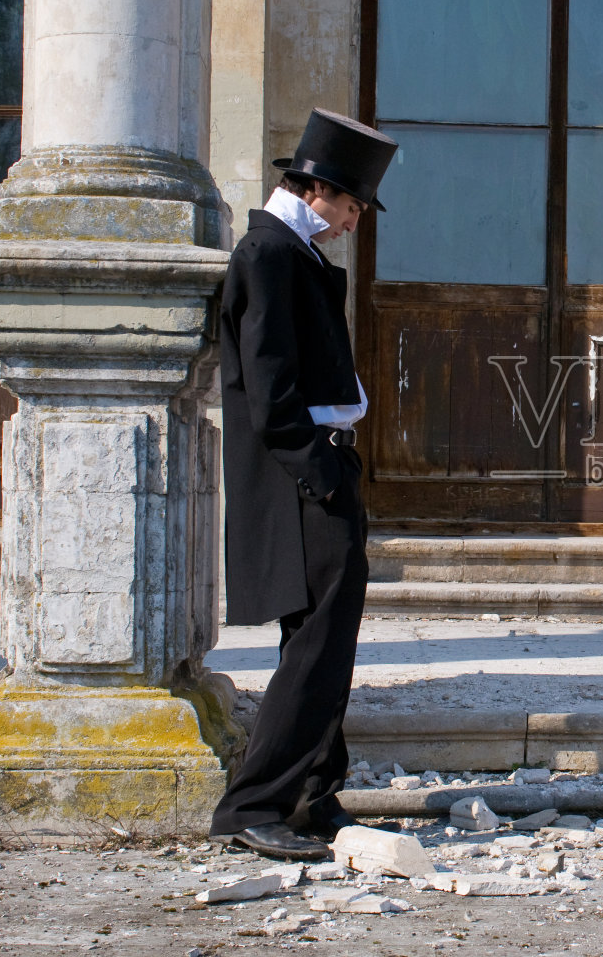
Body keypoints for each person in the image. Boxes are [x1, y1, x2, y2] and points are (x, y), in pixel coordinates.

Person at [210, 109, 398, 860]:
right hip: (303, 476)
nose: (355, 222)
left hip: (318, 469)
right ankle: (254, 803)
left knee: (320, 637)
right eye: (352, 206)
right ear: (317, 191)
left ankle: (315, 790)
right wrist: (323, 474)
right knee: (316, 642)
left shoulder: (292, 253)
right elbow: (270, 390)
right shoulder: (268, 255)